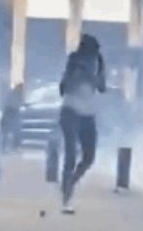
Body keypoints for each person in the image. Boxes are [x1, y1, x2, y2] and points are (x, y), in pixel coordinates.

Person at [58, 34, 106, 214]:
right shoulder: (73, 60)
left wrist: (99, 71)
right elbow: (64, 88)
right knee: (70, 155)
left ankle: (71, 182)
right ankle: (66, 196)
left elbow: (102, 87)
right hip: (70, 111)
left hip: (87, 113)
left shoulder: (98, 62)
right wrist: (79, 74)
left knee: (89, 156)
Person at [1, 83, 25, 152]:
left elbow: (20, 104)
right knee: (6, 132)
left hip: (14, 114)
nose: (20, 90)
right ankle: (3, 148)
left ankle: (14, 147)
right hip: (9, 113)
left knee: (16, 131)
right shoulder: (11, 94)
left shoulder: (19, 95)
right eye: (19, 88)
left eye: (21, 88)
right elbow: (12, 104)